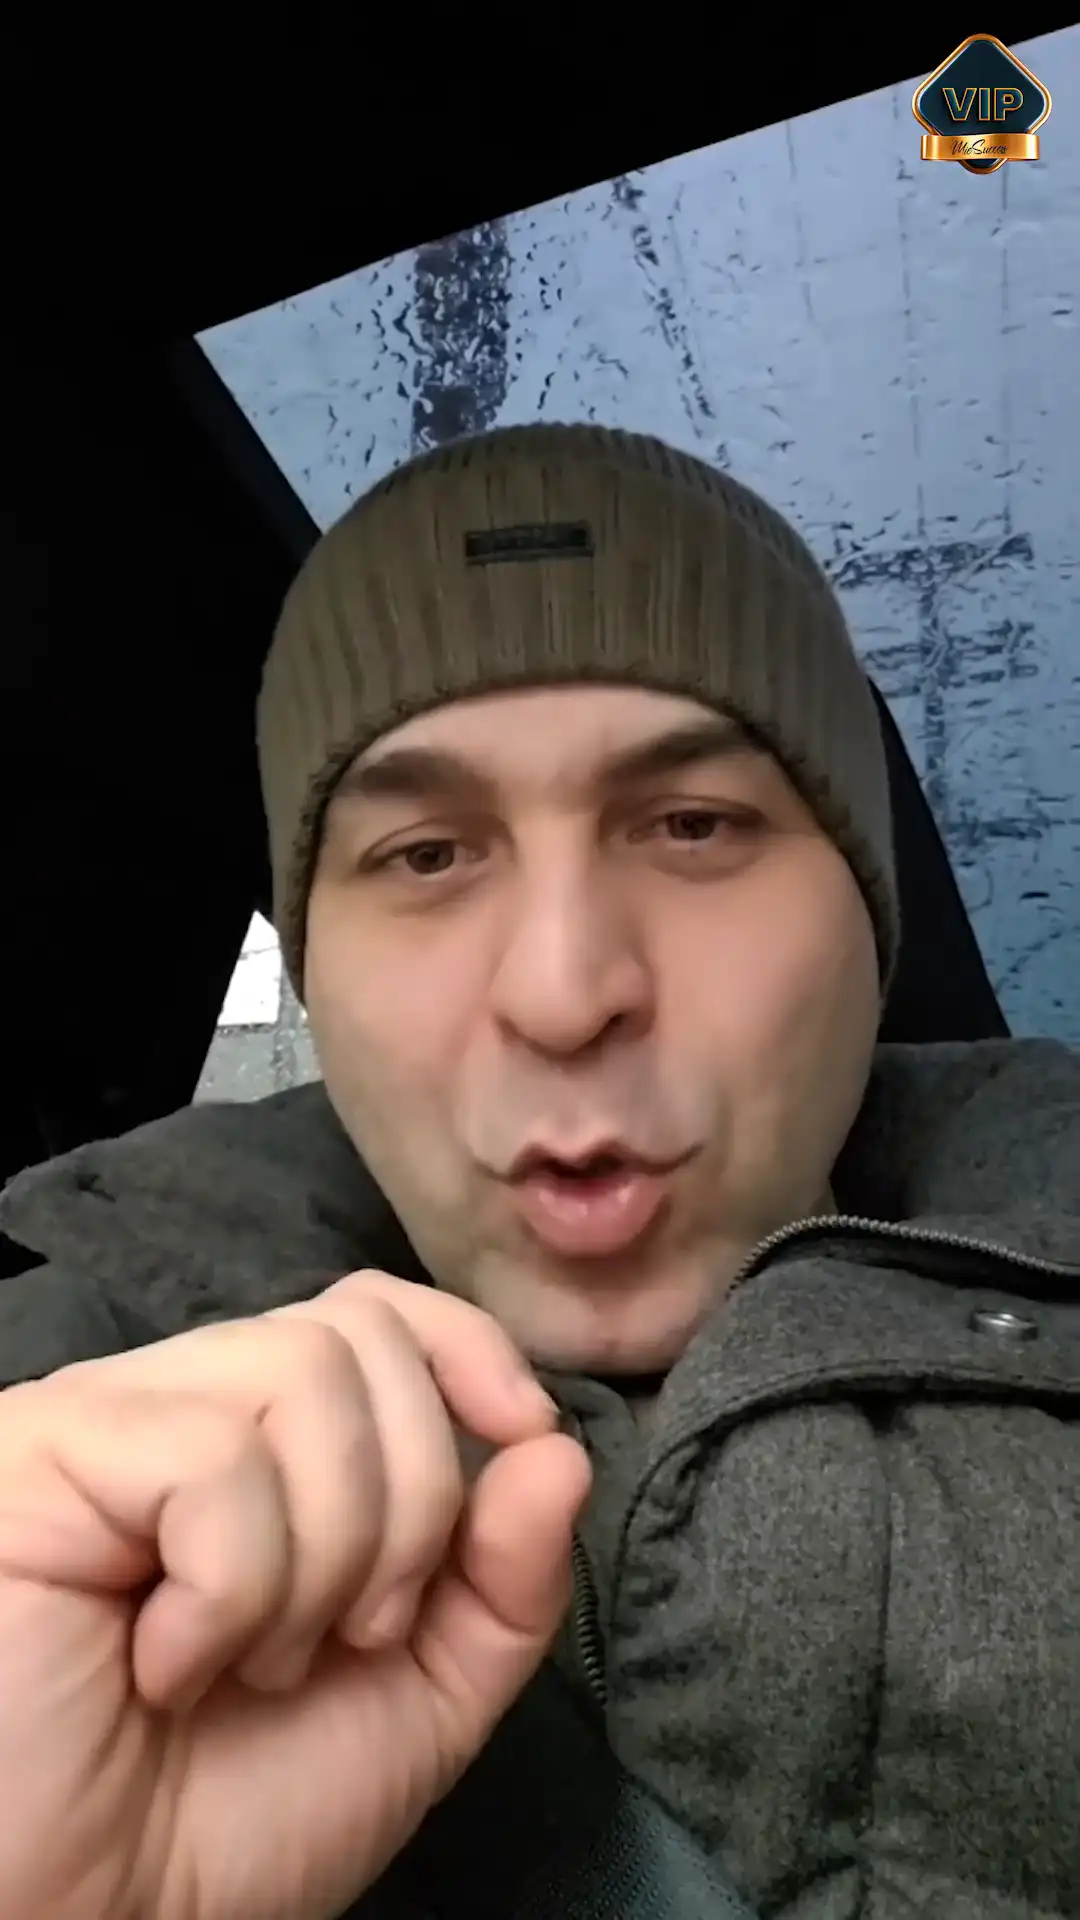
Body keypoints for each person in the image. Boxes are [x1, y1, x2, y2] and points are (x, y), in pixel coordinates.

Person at [0, 423, 1076, 1920]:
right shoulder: (49, 1424)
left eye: (693, 826)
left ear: (869, 921)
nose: (565, 994)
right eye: (428, 856)